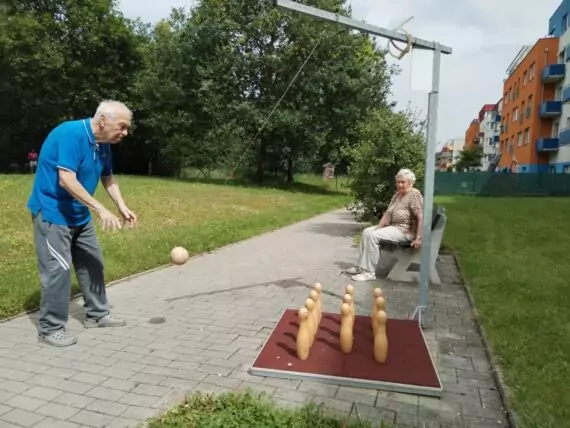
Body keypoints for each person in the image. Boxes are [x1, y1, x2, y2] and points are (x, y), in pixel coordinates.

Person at [27, 100, 137, 347]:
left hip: (79, 214)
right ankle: (50, 328)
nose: (125, 132)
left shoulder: (103, 143)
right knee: (58, 270)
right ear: (103, 121)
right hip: (53, 213)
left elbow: (107, 177)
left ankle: (97, 315)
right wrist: (101, 209)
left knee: (92, 262)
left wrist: (121, 206)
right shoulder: (70, 134)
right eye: (122, 126)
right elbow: (66, 179)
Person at [347, 168, 424, 282]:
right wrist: (377, 228)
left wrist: (418, 238)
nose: (400, 185)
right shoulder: (397, 195)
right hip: (394, 227)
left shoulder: (414, 195)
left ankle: (369, 272)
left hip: (405, 231)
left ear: (411, 183)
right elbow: (387, 214)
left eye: (403, 182)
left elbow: (421, 217)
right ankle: (360, 266)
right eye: (398, 182)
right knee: (367, 232)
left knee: (373, 236)